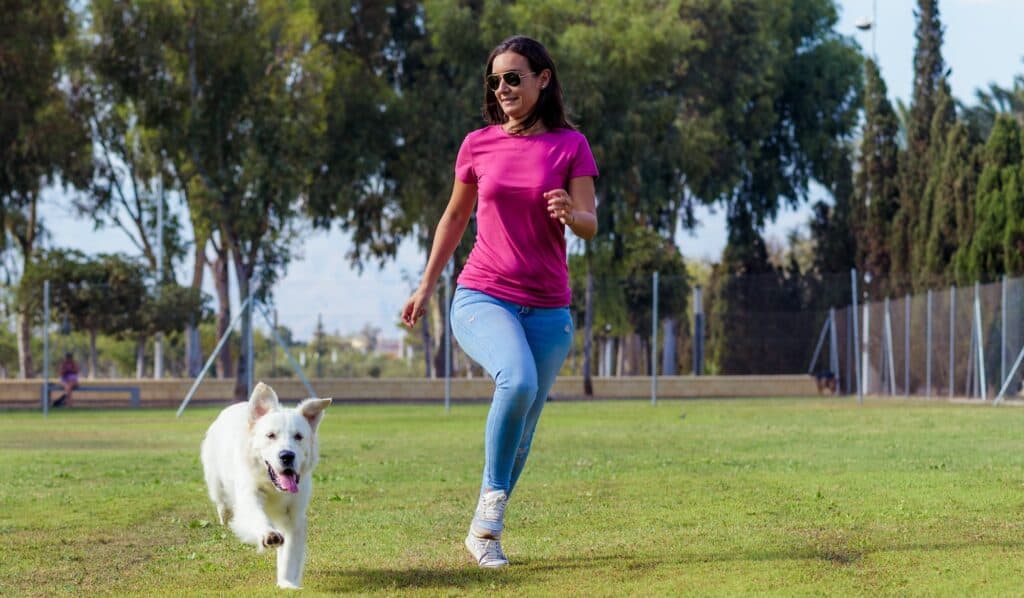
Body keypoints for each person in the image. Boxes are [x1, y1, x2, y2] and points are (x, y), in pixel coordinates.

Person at [401, 35, 598, 569]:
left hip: (551, 309)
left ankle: (485, 532)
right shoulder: (477, 144)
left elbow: (590, 222)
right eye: (496, 80)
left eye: (514, 77)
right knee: (518, 380)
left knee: (525, 425)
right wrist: (426, 285)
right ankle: (488, 519)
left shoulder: (571, 145)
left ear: (543, 79)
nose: (503, 88)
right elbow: (454, 218)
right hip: (483, 294)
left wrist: (567, 211)